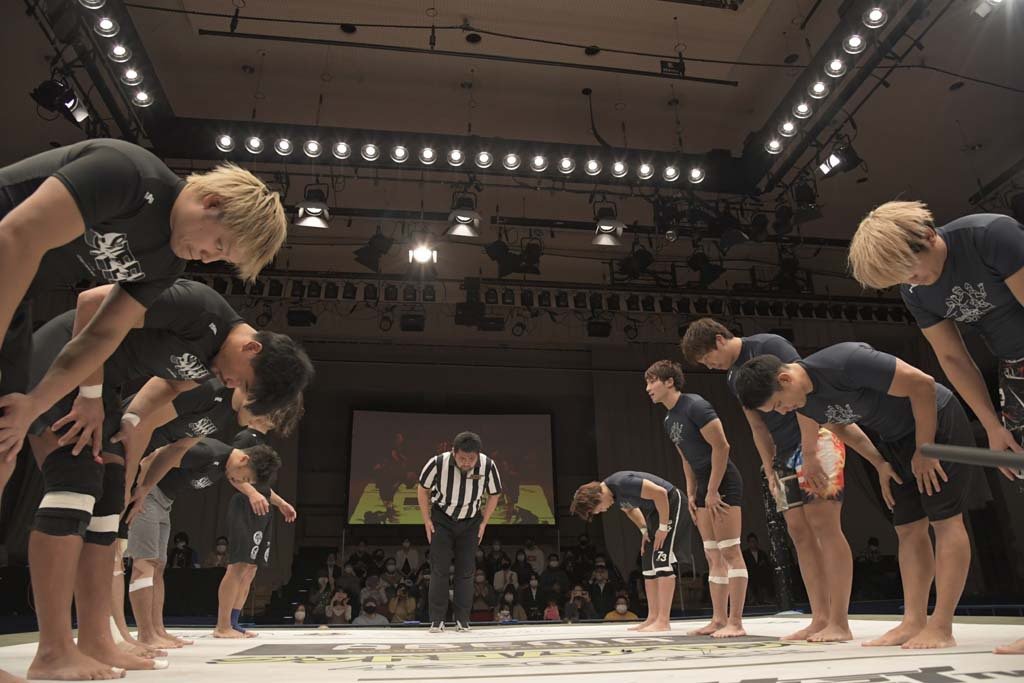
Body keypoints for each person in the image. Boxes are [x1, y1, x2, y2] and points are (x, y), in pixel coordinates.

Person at [0, 142, 286, 495]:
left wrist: (35, 403)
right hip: (6, 257)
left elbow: (101, 336)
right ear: (212, 204)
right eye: (219, 245)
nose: (209, 259)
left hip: (16, 295)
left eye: (220, 258)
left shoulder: (166, 264)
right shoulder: (130, 175)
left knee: (5, 448)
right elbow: (15, 235)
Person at [847, 201, 1024, 654]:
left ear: (926, 235)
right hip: (1015, 368)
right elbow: (951, 358)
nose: (912, 282)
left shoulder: (990, 236)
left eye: (911, 270)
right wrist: (991, 425)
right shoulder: (916, 291)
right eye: (900, 281)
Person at [734, 342, 977, 649]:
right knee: (908, 528)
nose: (782, 411)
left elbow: (922, 384)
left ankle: (941, 625)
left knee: (945, 522)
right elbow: (842, 428)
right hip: (894, 439)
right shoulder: (805, 402)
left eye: (779, 404)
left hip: (936, 422)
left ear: (784, 380)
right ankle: (913, 621)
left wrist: (924, 447)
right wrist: (880, 463)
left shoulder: (844, 362)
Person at [682, 318, 858, 641]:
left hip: (814, 439)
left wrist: (810, 451)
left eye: (708, 359)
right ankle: (820, 617)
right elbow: (757, 425)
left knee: (824, 526)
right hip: (783, 453)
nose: (710, 366)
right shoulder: (733, 378)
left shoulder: (769, 346)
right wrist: (769, 465)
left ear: (720, 340)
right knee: (799, 532)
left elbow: (806, 392)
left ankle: (840, 621)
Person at [124, 438, 281, 647]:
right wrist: (138, 491)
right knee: (145, 563)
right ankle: (145, 635)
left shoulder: (223, 465)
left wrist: (277, 502)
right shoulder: (207, 452)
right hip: (148, 496)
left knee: (158, 566)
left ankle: (157, 630)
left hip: (164, 502)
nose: (241, 482)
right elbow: (156, 456)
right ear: (244, 459)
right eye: (245, 477)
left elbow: (236, 479)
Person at [646, 360, 747, 638]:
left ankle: (736, 622)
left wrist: (713, 490)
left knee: (730, 551)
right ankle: (718, 619)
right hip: (703, 485)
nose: (648, 388)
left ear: (669, 381)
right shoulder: (668, 419)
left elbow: (722, 446)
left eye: (652, 381)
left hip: (723, 481)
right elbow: (686, 458)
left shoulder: (695, 406)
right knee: (711, 553)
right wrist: (692, 492)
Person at [570, 469, 687, 634]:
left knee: (662, 560)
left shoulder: (621, 483)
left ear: (597, 497)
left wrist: (663, 526)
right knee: (647, 564)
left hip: (673, 503)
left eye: (599, 509)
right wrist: (644, 530)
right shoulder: (615, 495)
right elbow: (630, 510)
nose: (603, 511)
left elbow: (661, 493)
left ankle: (663, 620)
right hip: (657, 511)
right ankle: (653, 617)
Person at [417, 431, 502, 632]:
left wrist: (484, 523)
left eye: (471, 459)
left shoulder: (488, 465)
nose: (466, 463)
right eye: (462, 458)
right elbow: (422, 489)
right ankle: (437, 619)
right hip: (442, 519)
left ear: (478, 455)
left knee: (466, 571)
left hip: (471, 521)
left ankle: (462, 620)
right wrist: (426, 519)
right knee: (439, 569)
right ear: (453, 452)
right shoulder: (437, 463)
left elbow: (495, 494)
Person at [742, 534, 772, 605]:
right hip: (750, 577)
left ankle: (763, 599)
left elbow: (767, 564)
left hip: (761, 577)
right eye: (751, 542)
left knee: (762, 590)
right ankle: (752, 601)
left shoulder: (762, 553)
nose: (753, 543)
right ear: (748, 543)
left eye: (754, 541)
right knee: (751, 592)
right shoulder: (745, 554)